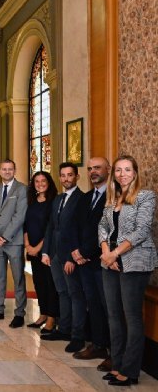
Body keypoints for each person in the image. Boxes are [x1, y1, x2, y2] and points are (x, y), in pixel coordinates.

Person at [99, 155, 157, 386]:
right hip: (110, 261)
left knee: (131, 317)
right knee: (114, 316)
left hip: (134, 261)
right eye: (118, 170)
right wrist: (106, 251)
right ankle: (117, 364)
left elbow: (142, 230)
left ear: (135, 172)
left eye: (127, 170)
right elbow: (103, 225)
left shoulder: (146, 196)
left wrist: (115, 253)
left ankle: (130, 370)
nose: (122, 174)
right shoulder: (112, 198)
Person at [71, 158, 111, 366]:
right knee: (92, 304)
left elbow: (108, 230)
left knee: (108, 307)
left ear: (108, 170)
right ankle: (98, 344)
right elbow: (75, 226)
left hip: (102, 261)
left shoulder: (114, 197)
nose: (93, 172)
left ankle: (114, 351)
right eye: (90, 169)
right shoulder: (86, 198)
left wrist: (87, 252)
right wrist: (75, 251)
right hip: (84, 262)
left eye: (97, 168)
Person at [40, 162, 84, 352]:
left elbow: (80, 231)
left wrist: (71, 258)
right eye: (63, 175)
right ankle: (64, 328)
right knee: (62, 292)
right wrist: (46, 251)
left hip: (69, 256)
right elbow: (51, 227)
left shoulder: (82, 199)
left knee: (75, 294)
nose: (66, 178)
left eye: (70, 175)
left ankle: (77, 335)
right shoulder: (58, 199)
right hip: (55, 254)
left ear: (76, 177)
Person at [0, 159, 28, 327]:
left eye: (10, 169)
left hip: (13, 241)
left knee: (18, 278)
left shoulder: (22, 189)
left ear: (14, 171)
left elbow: (20, 216)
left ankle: (19, 313)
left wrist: (5, 237)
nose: (7, 172)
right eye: (4, 169)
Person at [23, 171, 59, 334]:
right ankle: (43, 313)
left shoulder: (54, 202)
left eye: (43, 180)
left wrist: (38, 248)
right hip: (32, 249)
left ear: (49, 182)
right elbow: (26, 225)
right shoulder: (31, 201)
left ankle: (52, 317)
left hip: (47, 250)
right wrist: (28, 245)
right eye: (37, 181)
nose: (40, 184)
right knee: (39, 283)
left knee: (50, 283)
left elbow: (51, 228)